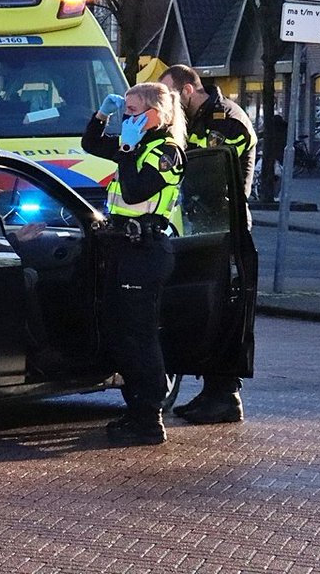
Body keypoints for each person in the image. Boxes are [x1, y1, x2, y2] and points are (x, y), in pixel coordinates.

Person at [83, 82, 187, 445]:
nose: (126, 116)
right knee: (120, 331)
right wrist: (102, 115)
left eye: (132, 110)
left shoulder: (167, 152)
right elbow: (91, 145)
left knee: (141, 336)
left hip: (147, 251)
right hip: (124, 249)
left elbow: (134, 190)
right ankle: (135, 407)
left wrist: (127, 147)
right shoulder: (137, 145)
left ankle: (150, 418)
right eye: (124, 110)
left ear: (155, 115)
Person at [160, 63, 255, 425]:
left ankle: (225, 395)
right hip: (204, 227)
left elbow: (204, 166)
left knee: (226, 309)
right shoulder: (196, 119)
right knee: (205, 310)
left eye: (170, 96)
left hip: (226, 227)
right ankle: (211, 392)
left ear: (186, 90)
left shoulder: (226, 118)